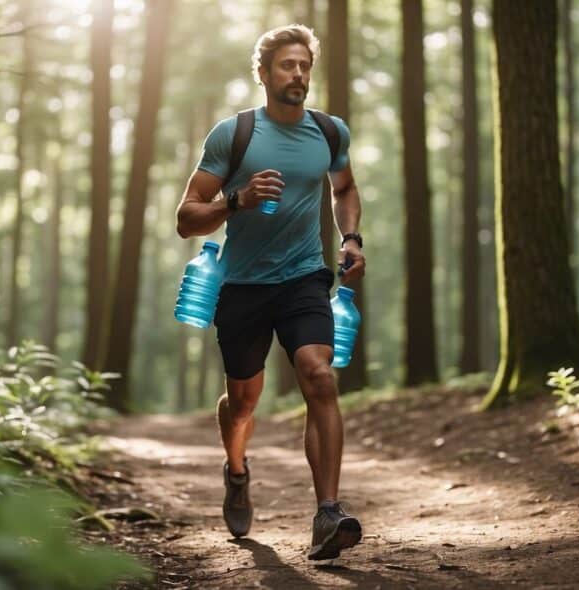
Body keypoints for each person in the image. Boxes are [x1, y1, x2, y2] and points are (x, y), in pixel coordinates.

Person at [175, 24, 366, 561]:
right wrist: (234, 202)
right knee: (243, 402)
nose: (299, 75)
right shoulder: (232, 135)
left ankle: (328, 513)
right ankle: (237, 472)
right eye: (287, 65)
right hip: (242, 286)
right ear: (263, 73)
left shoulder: (328, 132)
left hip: (305, 277)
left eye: (305, 66)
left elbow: (345, 188)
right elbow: (186, 218)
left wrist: (350, 237)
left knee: (319, 374)